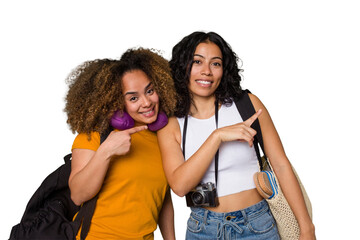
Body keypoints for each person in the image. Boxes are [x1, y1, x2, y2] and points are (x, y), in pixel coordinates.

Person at [157, 31, 316, 239]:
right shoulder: (170, 124)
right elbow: (179, 186)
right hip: (203, 229)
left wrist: (307, 227)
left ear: (224, 70)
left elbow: (281, 164)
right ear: (182, 67)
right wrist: (217, 137)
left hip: (256, 225)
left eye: (215, 63)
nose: (206, 71)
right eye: (197, 62)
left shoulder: (247, 104)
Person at [64, 48, 177, 240]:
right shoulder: (94, 136)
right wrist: (106, 151)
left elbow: (161, 198)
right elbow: (78, 194)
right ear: (116, 102)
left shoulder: (162, 139)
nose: (147, 102)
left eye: (150, 91)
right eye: (133, 98)